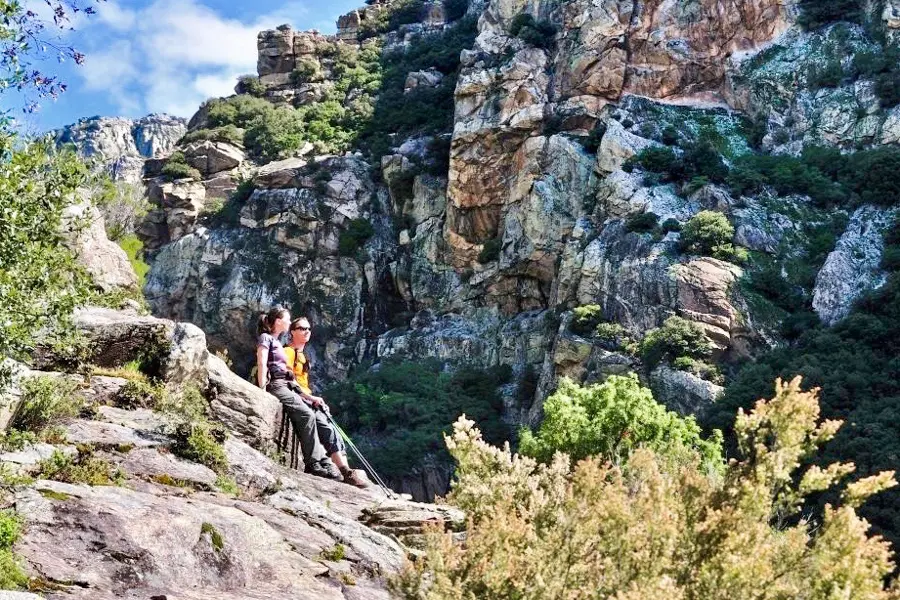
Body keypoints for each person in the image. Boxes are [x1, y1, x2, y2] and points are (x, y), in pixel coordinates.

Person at [256, 306, 341, 482]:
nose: (288, 321)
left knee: (310, 414)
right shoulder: (266, 338)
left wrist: (311, 398)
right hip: (276, 385)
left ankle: (323, 461)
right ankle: (313, 462)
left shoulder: (278, 342)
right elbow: (262, 363)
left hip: (286, 384)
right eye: (287, 319)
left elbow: (291, 378)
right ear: (278, 321)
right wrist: (262, 389)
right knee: (307, 415)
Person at [284, 316, 369, 489]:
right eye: (302, 328)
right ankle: (340, 469)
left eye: (308, 328)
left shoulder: (301, 354)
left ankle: (346, 471)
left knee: (331, 430)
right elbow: (289, 380)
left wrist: (315, 400)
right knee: (324, 427)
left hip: (308, 399)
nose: (307, 331)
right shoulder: (288, 352)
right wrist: (310, 399)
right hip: (300, 398)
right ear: (292, 332)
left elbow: (303, 383)